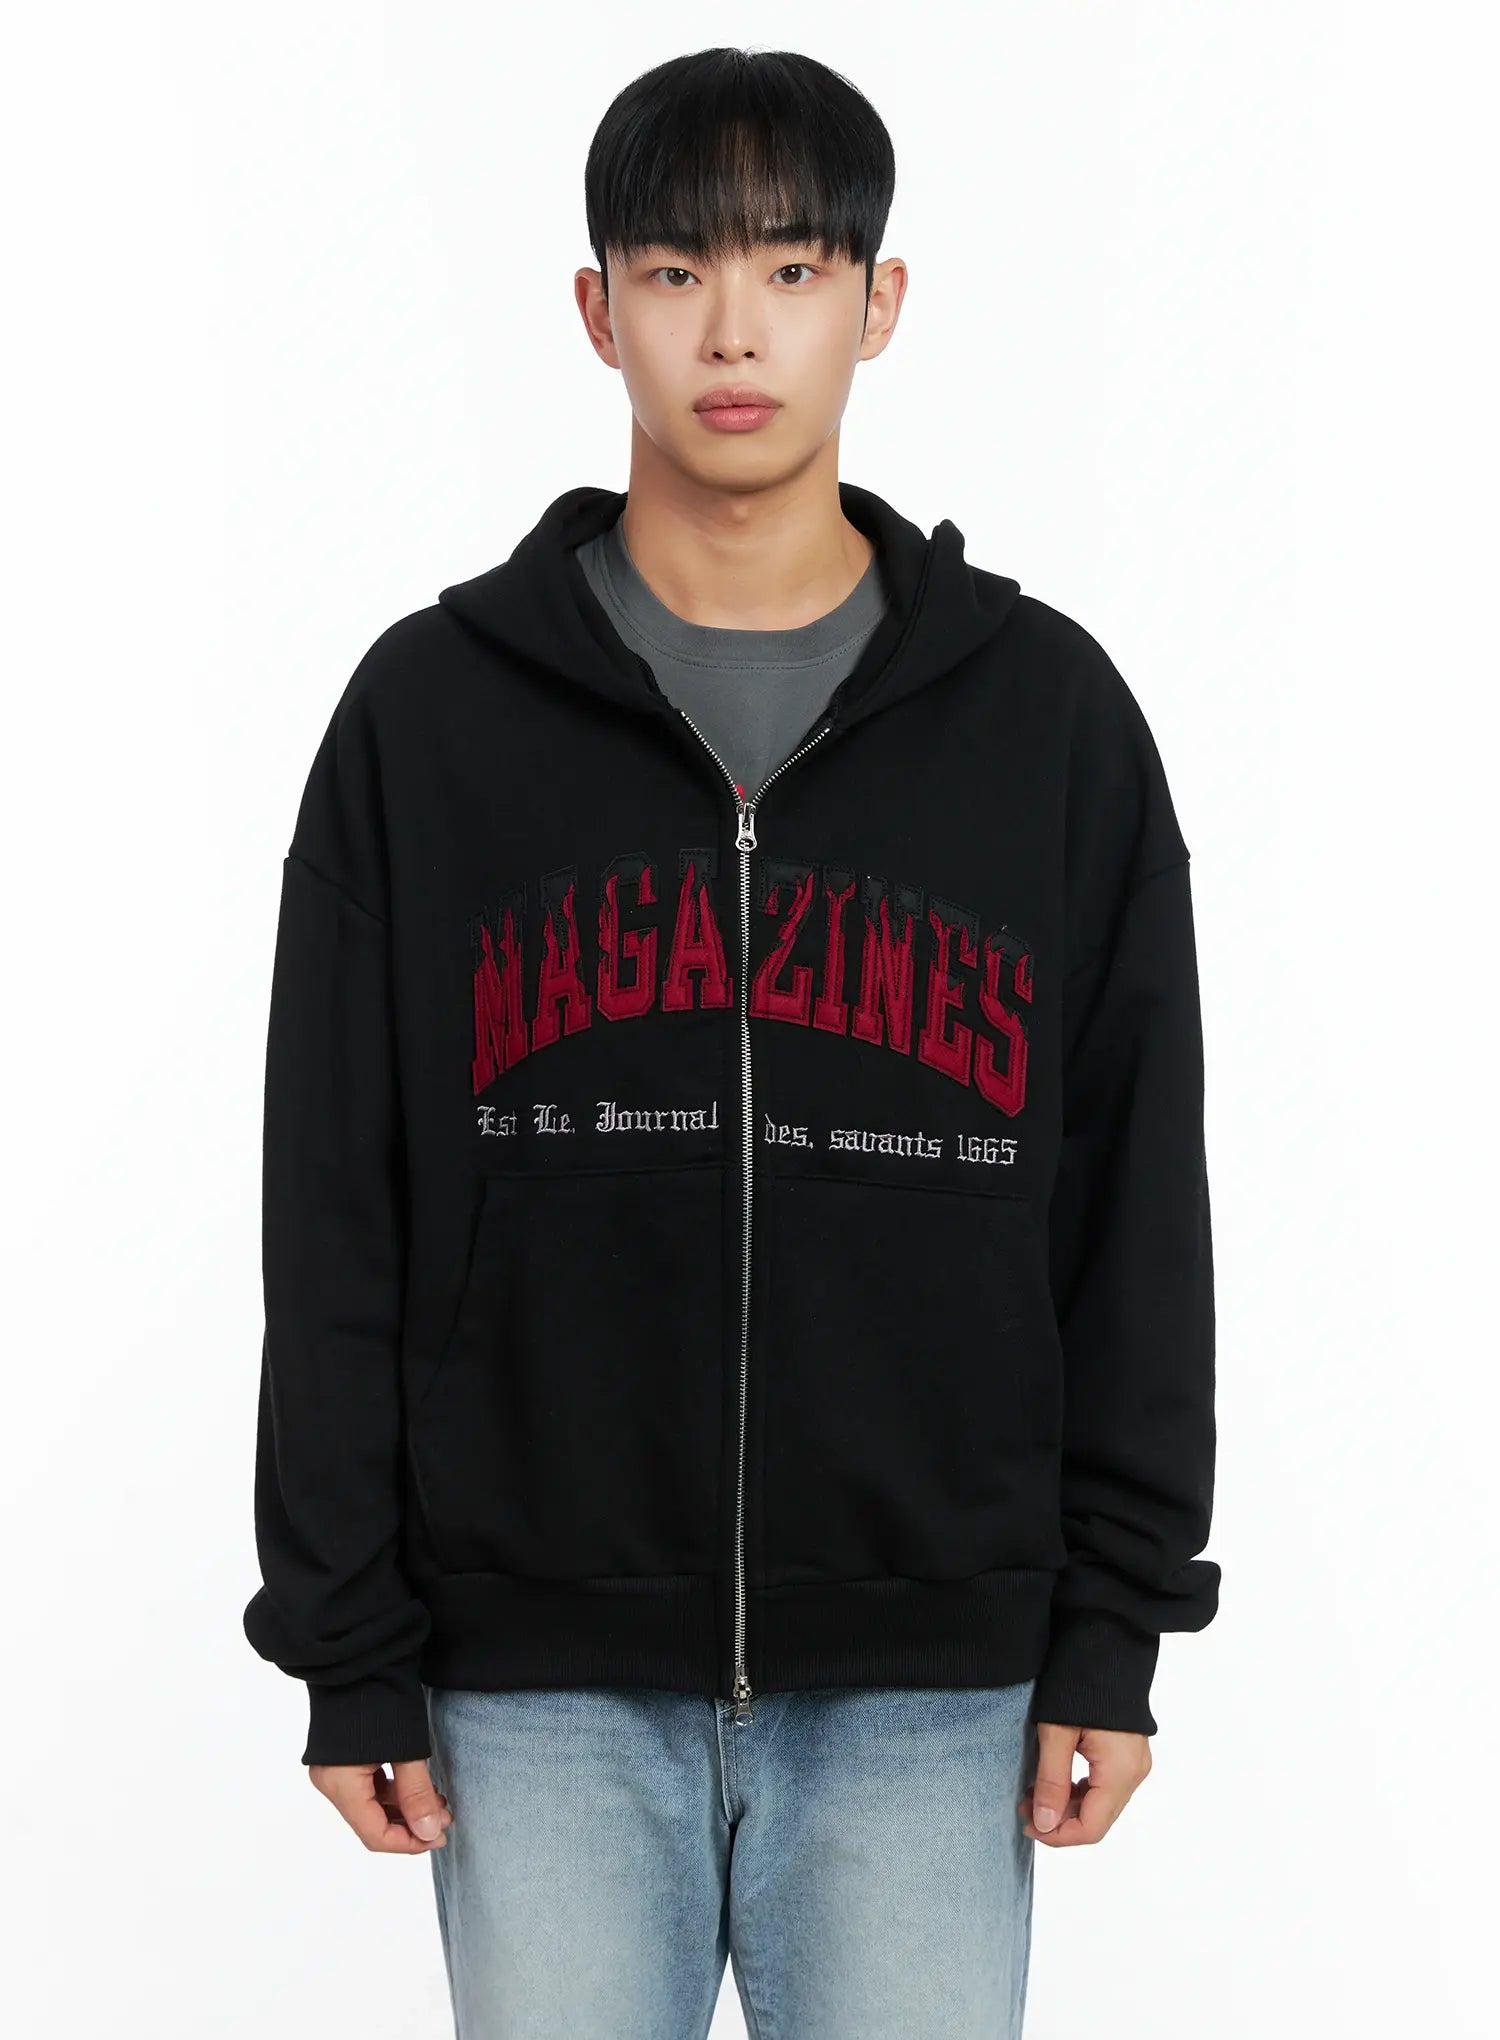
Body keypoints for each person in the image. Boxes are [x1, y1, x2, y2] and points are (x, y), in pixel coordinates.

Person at [242, 44, 1220, 2040]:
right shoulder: (432, 718)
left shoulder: (1044, 723)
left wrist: (1115, 1618)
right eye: (677, 271)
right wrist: (349, 1640)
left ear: (880, 300)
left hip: (935, 1686)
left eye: (790, 267)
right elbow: (338, 1196)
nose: (734, 330)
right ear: (597, 308)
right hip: (538, 1686)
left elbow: (1134, 1196)